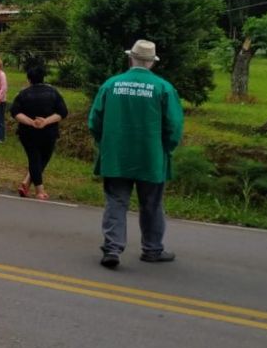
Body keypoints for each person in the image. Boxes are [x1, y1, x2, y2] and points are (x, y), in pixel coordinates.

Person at [89, 40, 183, 270]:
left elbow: (95, 121)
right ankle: (152, 249)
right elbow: (174, 126)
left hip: (117, 156)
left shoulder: (111, 85)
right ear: (151, 62)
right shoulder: (163, 88)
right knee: (151, 204)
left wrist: (106, 144)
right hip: (151, 157)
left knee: (116, 202)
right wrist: (165, 149)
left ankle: (112, 248)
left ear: (131, 58)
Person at [10, 64, 68, 200]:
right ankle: (40, 191)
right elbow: (63, 112)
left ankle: (27, 182)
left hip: (28, 133)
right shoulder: (53, 92)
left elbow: (15, 112)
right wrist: (46, 121)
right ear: (43, 78)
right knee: (42, 159)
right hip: (49, 133)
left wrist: (31, 122)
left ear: (29, 79)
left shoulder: (23, 94)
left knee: (34, 158)